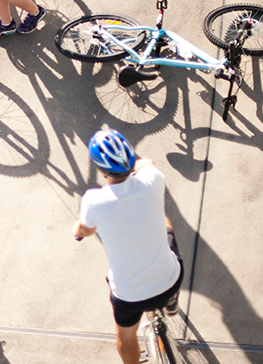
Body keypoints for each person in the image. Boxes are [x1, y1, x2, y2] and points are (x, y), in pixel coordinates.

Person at [72, 130, 184, 364]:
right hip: (169, 280)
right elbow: (149, 163)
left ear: (101, 171)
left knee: (125, 335)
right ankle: (172, 300)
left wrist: (78, 231)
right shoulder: (154, 179)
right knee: (165, 222)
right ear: (131, 159)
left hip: (129, 297)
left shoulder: (93, 201)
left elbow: (86, 230)